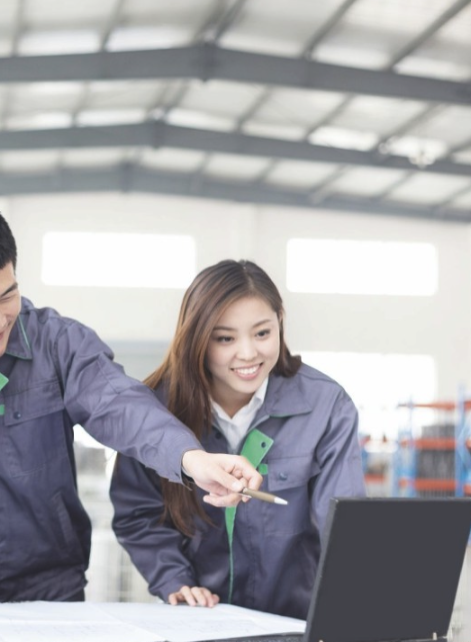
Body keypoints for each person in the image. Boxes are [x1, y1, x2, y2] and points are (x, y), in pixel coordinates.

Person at [0, 194, 262, 619]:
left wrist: (191, 458)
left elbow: (117, 402)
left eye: (7, 295)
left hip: (51, 598)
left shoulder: (59, 343)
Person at [109, 260, 365, 620]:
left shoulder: (327, 405)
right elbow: (138, 513)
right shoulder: (155, 412)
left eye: (262, 333)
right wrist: (174, 580)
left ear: (280, 322)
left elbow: (342, 529)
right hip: (196, 622)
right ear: (197, 338)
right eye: (225, 338)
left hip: (292, 624)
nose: (248, 353)